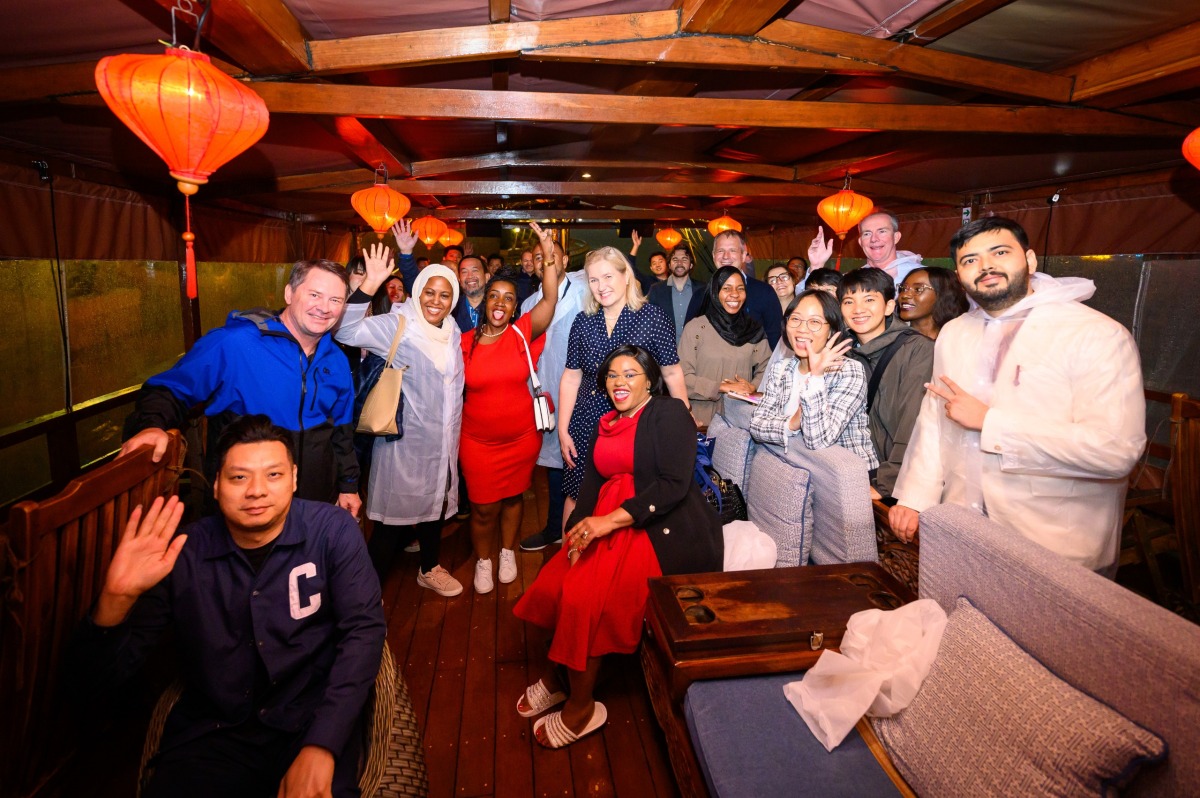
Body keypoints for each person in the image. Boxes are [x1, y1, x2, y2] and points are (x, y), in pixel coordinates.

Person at [71, 415, 386, 798]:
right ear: (217, 484)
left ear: (294, 478)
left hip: (309, 719)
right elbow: (98, 684)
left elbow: (364, 631)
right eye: (239, 477)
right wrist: (116, 598)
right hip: (215, 735)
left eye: (273, 475)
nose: (257, 491)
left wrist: (321, 744)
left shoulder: (332, 531)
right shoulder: (181, 553)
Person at [889, 217, 1145, 575]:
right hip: (960, 523)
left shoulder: (1094, 334)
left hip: (1052, 540)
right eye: (970, 260)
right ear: (960, 276)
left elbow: (1115, 450)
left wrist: (990, 422)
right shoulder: (955, 332)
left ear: (1030, 260)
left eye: (1000, 253)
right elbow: (933, 420)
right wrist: (915, 497)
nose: (985, 266)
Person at [513, 346, 723, 748]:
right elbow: (592, 483)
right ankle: (558, 677)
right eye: (612, 375)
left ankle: (581, 706)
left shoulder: (669, 413)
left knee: (586, 597)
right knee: (557, 581)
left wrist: (607, 522)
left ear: (650, 379)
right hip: (607, 518)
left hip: (661, 527)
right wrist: (576, 532)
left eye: (630, 373)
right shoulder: (606, 421)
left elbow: (673, 485)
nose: (619, 382)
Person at [121, 259, 360, 518]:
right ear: (289, 293)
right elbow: (169, 389)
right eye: (315, 295)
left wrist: (348, 486)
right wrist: (151, 425)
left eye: (335, 300)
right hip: (246, 509)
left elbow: (342, 432)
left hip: (314, 507)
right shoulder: (235, 343)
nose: (324, 308)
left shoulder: (337, 360)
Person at [337, 242, 466, 597]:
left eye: (444, 294)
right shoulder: (399, 323)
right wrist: (369, 285)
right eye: (429, 292)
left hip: (443, 444)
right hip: (404, 444)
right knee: (392, 522)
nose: (436, 301)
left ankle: (429, 568)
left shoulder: (452, 329)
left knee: (433, 508)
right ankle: (364, 594)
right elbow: (345, 330)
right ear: (417, 291)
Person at [460, 226, 560, 594]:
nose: (500, 303)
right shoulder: (463, 343)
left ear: (516, 307)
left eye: (508, 298)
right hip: (477, 443)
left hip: (521, 439)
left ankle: (506, 552)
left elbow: (550, 296)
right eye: (494, 296)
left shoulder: (522, 333)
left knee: (515, 498)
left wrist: (547, 252)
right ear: (484, 303)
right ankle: (483, 560)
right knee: (483, 508)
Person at [559, 246, 689, 525]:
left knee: (629, 496)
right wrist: (562, 428)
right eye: (593, 280)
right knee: (578, 495)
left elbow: (672, 373)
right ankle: (571, 554)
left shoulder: (653, 318)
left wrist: (684, 418)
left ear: (626, 276)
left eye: (608, 277)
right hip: (587, 423)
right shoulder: (583, 321)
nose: (601, 286)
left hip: (637, 423)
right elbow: (571, 377)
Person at [750, 290, 877, 469]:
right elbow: (756, 426)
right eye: (795, 319)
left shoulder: (848, 370)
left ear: (831, 331)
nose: (802, 329)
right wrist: (792, 423)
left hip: (842, 476)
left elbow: (818, 440)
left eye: (815, 322)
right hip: (796, 470)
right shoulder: (781, 368)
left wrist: (816, 377)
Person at [839, 267, 934, 500]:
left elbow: (913, 423)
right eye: (849, 301)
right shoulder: (841, 353)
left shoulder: (917, 349)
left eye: (869, 299)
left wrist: (887, 483)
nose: (858, 309)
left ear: (889, 306)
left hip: (894, 482)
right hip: (854, 471)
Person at [518, 235, 585, 553]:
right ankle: (556, 528)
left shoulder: (586, 293)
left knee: (581, 464)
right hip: (544, 397)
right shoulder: (529, 305)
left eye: (551, 254)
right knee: (555, 466)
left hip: (583, 396)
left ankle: (582, 530)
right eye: (538, 256)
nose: (545, 260)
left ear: (565, 260)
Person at [679, 267, 771, 426]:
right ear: (715, 292)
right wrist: (722, 387)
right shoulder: (695, 328)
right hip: (702, 420)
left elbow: (768, 368)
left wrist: (752, 386)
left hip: (741, 419)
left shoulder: (753, 329)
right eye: (727, 288)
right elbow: (682, 378)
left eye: (740, 288)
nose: (735, 294)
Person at [709, 229, 783, 349]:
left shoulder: (764, 292)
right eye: (720, 251)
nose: (726, 256)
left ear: (743, 256)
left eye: (732, 250)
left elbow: (775, 338)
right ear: (713, 256)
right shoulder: (701, 295)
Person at [808, 213, 923, 286]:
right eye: (867, 234)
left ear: (896, 237)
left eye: (882, 231)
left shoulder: (920, 276)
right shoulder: (850, 280)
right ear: (860, 242)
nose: (874, 239)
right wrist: (816, 267)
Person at [647, 243, 703, 342]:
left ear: (691, 265)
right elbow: (649, 322)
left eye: (684, 259)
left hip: (696, 348)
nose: (679, 263)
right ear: (669, 265)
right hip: (665, 348)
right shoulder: (656, 290)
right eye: (675, 259)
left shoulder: (702, 289)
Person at [897, 266, 968, 340]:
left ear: (942, 294)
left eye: (918, 289)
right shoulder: (894, 339)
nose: (904, 295)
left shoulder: (962, 338)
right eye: (904, 289)